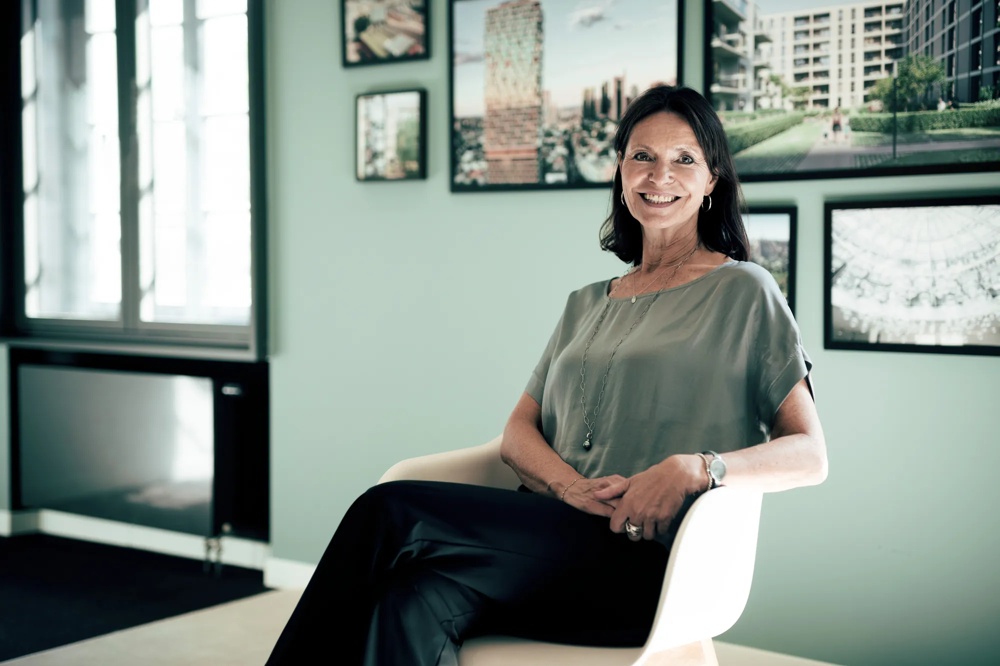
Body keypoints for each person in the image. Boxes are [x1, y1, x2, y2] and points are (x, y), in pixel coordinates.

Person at [265, 85, 828, 666]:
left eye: (685, 159)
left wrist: (696, 469)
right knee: (410, 601)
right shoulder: (585, 302)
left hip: (646, 562)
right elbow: (517, 433)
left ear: (712, 180)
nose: (661, 175)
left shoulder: (744, 290)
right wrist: (569, 486)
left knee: (388, 511)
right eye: (643, 156)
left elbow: (810, 455)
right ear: (620, 171)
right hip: (539, 538)